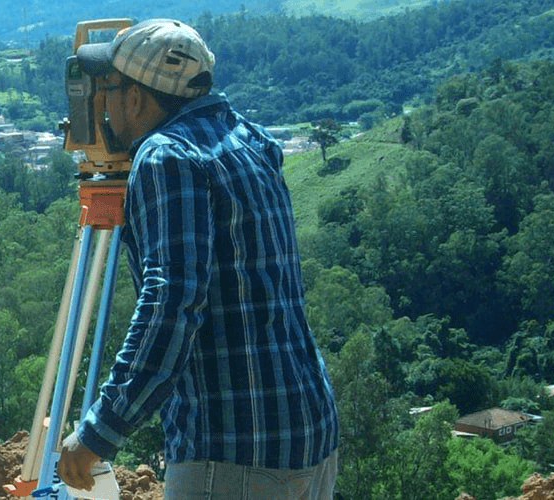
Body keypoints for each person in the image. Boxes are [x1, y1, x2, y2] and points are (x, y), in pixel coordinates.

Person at [53, 19, 339, 499]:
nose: (103, 100)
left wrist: (100, 431)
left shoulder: (168, 157)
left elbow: (171, 306)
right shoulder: (252, 140)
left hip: (232, 448)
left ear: (139, 98)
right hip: (308, 428)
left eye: (110, 87)